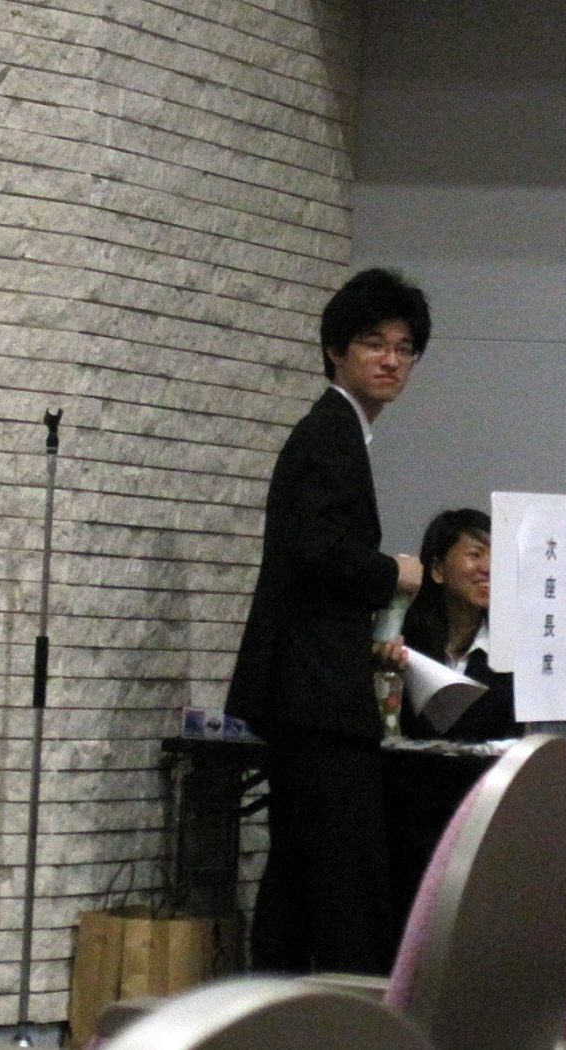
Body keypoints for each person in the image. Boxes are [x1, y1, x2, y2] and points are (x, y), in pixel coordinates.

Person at [224, 267, 429, 975]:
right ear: (336, 350)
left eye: (404, 348)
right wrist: (392, 574)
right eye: (373, 343)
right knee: (340, 876)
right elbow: (314, 551)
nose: (390, 360)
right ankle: (335, 1010)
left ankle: (276, 1004)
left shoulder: (338, 432)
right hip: (313, 696)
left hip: (308, 690)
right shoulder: (329, 433)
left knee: (299, 871)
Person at [399, 508, 520, 741]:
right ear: (437, 569)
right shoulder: (405, 641)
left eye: (496, 557)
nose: (488, 568)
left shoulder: (510, 654)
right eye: (475, 554)